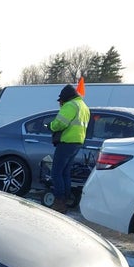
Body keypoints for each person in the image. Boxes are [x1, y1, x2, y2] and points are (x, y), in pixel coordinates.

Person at [49, 84, 90, 214]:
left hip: (67, 141)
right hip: (77, 142)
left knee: (56, 172)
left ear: (66, 98)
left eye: (61, 100)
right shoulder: (83, 106)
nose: (60, 102)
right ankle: (66, 198)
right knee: (65, 172)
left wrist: (51, 126)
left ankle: (59, 202)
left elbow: (60, 123)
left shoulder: (70, 105)